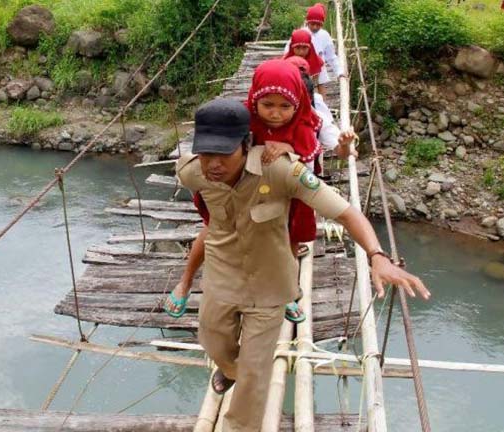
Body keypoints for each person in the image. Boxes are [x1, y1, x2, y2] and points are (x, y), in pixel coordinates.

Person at [176, 98, 429, 431]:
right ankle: (230, 369)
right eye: (206, 154)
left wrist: (377, 256)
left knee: (255, 374)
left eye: (224, 154)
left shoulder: (281, 170)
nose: (214, 165)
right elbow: (206, 218)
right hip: (222, 277)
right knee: (212, 342)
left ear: (247, 144)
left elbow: (346, 212)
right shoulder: (192, 172)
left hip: (269, 286)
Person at [164, 59, 354, 323]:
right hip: (240, 188)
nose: (276, 114)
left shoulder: (307, 122)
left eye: (284, 106)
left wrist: (290, 147)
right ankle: (185, 283)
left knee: (289, 242)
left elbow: (322, 150)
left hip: (287, 195)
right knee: (212, 231)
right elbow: (222, 143)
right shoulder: (244, 118)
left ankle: (286, 292)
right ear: (255, 100)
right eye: (268, 105)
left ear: (298, 101)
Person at [303, 3, 345, 98]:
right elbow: (288, 51)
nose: (315, 27)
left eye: (318, 25)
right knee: (305, 92)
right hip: (303, 69)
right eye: (312, 24)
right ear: (307, 22)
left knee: (321, 91)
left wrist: (339, 72)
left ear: (322, 24)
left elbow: (331, 56)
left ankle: (323, 109)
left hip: (319, 69)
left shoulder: (324, 35)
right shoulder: (301, 33)